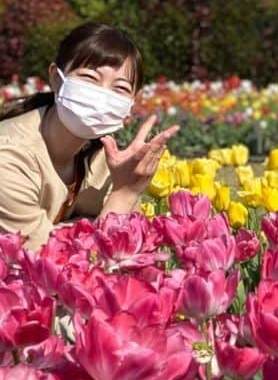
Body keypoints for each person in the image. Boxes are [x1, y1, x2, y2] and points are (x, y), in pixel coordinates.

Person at [0, 21, 178, 250]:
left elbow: (131, 244)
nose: (102, 95)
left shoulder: (105, 157)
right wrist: (124, 193)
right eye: (90, 78)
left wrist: (70, 231)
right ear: (56, 78)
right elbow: (55, 262)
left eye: (120, 88)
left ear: (132, 101)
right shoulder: (7, 158)